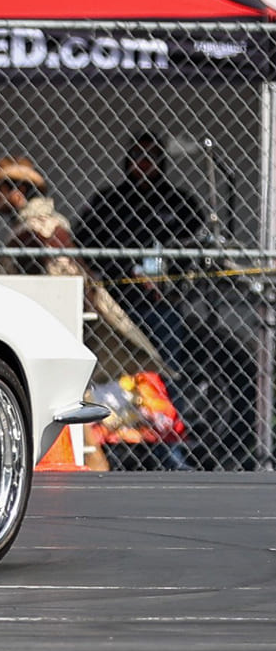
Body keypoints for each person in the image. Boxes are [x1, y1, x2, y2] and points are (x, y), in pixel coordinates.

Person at [77, 132, 208, 466]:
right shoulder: (110, 200)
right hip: (120, 305)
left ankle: (170, 453)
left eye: (151, 157)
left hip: (163, 306)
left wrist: (171, 278)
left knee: (164, 376)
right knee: (117, 377)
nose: (144, 164)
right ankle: (111, 451)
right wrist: (123, 271)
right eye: (138, 156)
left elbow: (195, 244)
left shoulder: (178, 202)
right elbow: (84, 241)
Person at [0, 154, 166, 387]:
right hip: (67, 322)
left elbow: (55, 282)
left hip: (62, 327)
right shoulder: (40, 227)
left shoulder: (36, 231)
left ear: (17, 190)